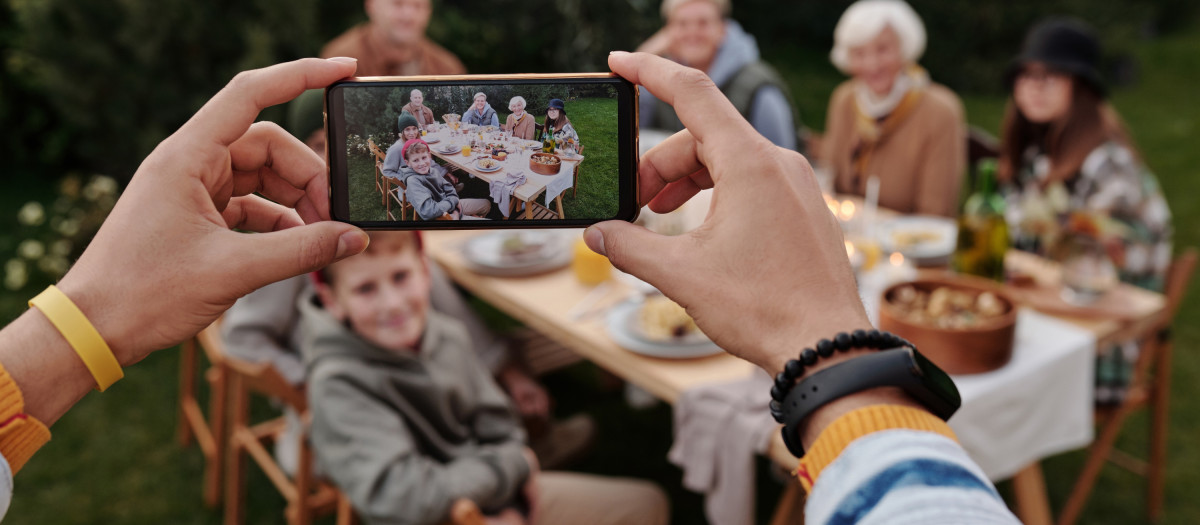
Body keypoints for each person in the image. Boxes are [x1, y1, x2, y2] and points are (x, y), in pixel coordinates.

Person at [0, 54, 1019, 523]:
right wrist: (834, 348)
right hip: (477, 490)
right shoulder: (354, 361)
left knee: (529, 369)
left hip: (480, 449)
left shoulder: (473, 201)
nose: (399, 298)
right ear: (329, 295)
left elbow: (465, 352)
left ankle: (554, 431)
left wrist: (78, 326)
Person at [302, 231, 670, 525]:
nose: (393, 303)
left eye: (401, 276)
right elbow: (404, 499)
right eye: (366, 289)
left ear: (426, 272)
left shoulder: (446, 335)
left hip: (491, 497)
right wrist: (513, 470)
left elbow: (501, 426)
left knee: (646, 504)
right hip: (440, 516)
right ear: (332, 300)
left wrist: (512, 505)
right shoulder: (338, 382)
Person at [998, 18, 1172, 404]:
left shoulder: (1109, 167)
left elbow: (1100, 272)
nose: (1033, 86)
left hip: (1102, 339)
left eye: (1051, 76)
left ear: (1083, 89)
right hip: (1049, 310)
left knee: (978, 362)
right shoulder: (1037, 153)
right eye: (1025, 75)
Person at [819, 0, 966, 217]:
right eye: (859, 53)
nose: (872, 64)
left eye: (883, 49)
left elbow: (936, 212)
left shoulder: (941, 111)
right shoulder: (844, 99)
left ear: (904, 48)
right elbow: (829, 182)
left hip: (909, 245)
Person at [637, 0, 800, 151]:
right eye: (682, 24)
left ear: (723, 29)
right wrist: (646, 53)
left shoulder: (759, 89)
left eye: (703, 23)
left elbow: (783, 162)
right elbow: (624, 128)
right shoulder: (657, 84)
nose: (692, 32)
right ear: (667, 32)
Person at [320, 0, 465, 76]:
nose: (408, 16)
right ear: (371, 5)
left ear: (429, 12)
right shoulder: (341, 59)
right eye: (398, 3)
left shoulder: (447, 67)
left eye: (418, 6)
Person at [401, 139, 491, 220]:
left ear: (429, 156)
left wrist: (455, 207)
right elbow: (429, 211)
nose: (422, 163)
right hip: (444, 217)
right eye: (415, 160)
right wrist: (453, 204)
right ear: (408, 163)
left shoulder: (431, 170)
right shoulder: (413, 181)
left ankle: (472, 217)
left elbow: (449, 187)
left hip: (450, 207)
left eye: (424, 158)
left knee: (486, 204)